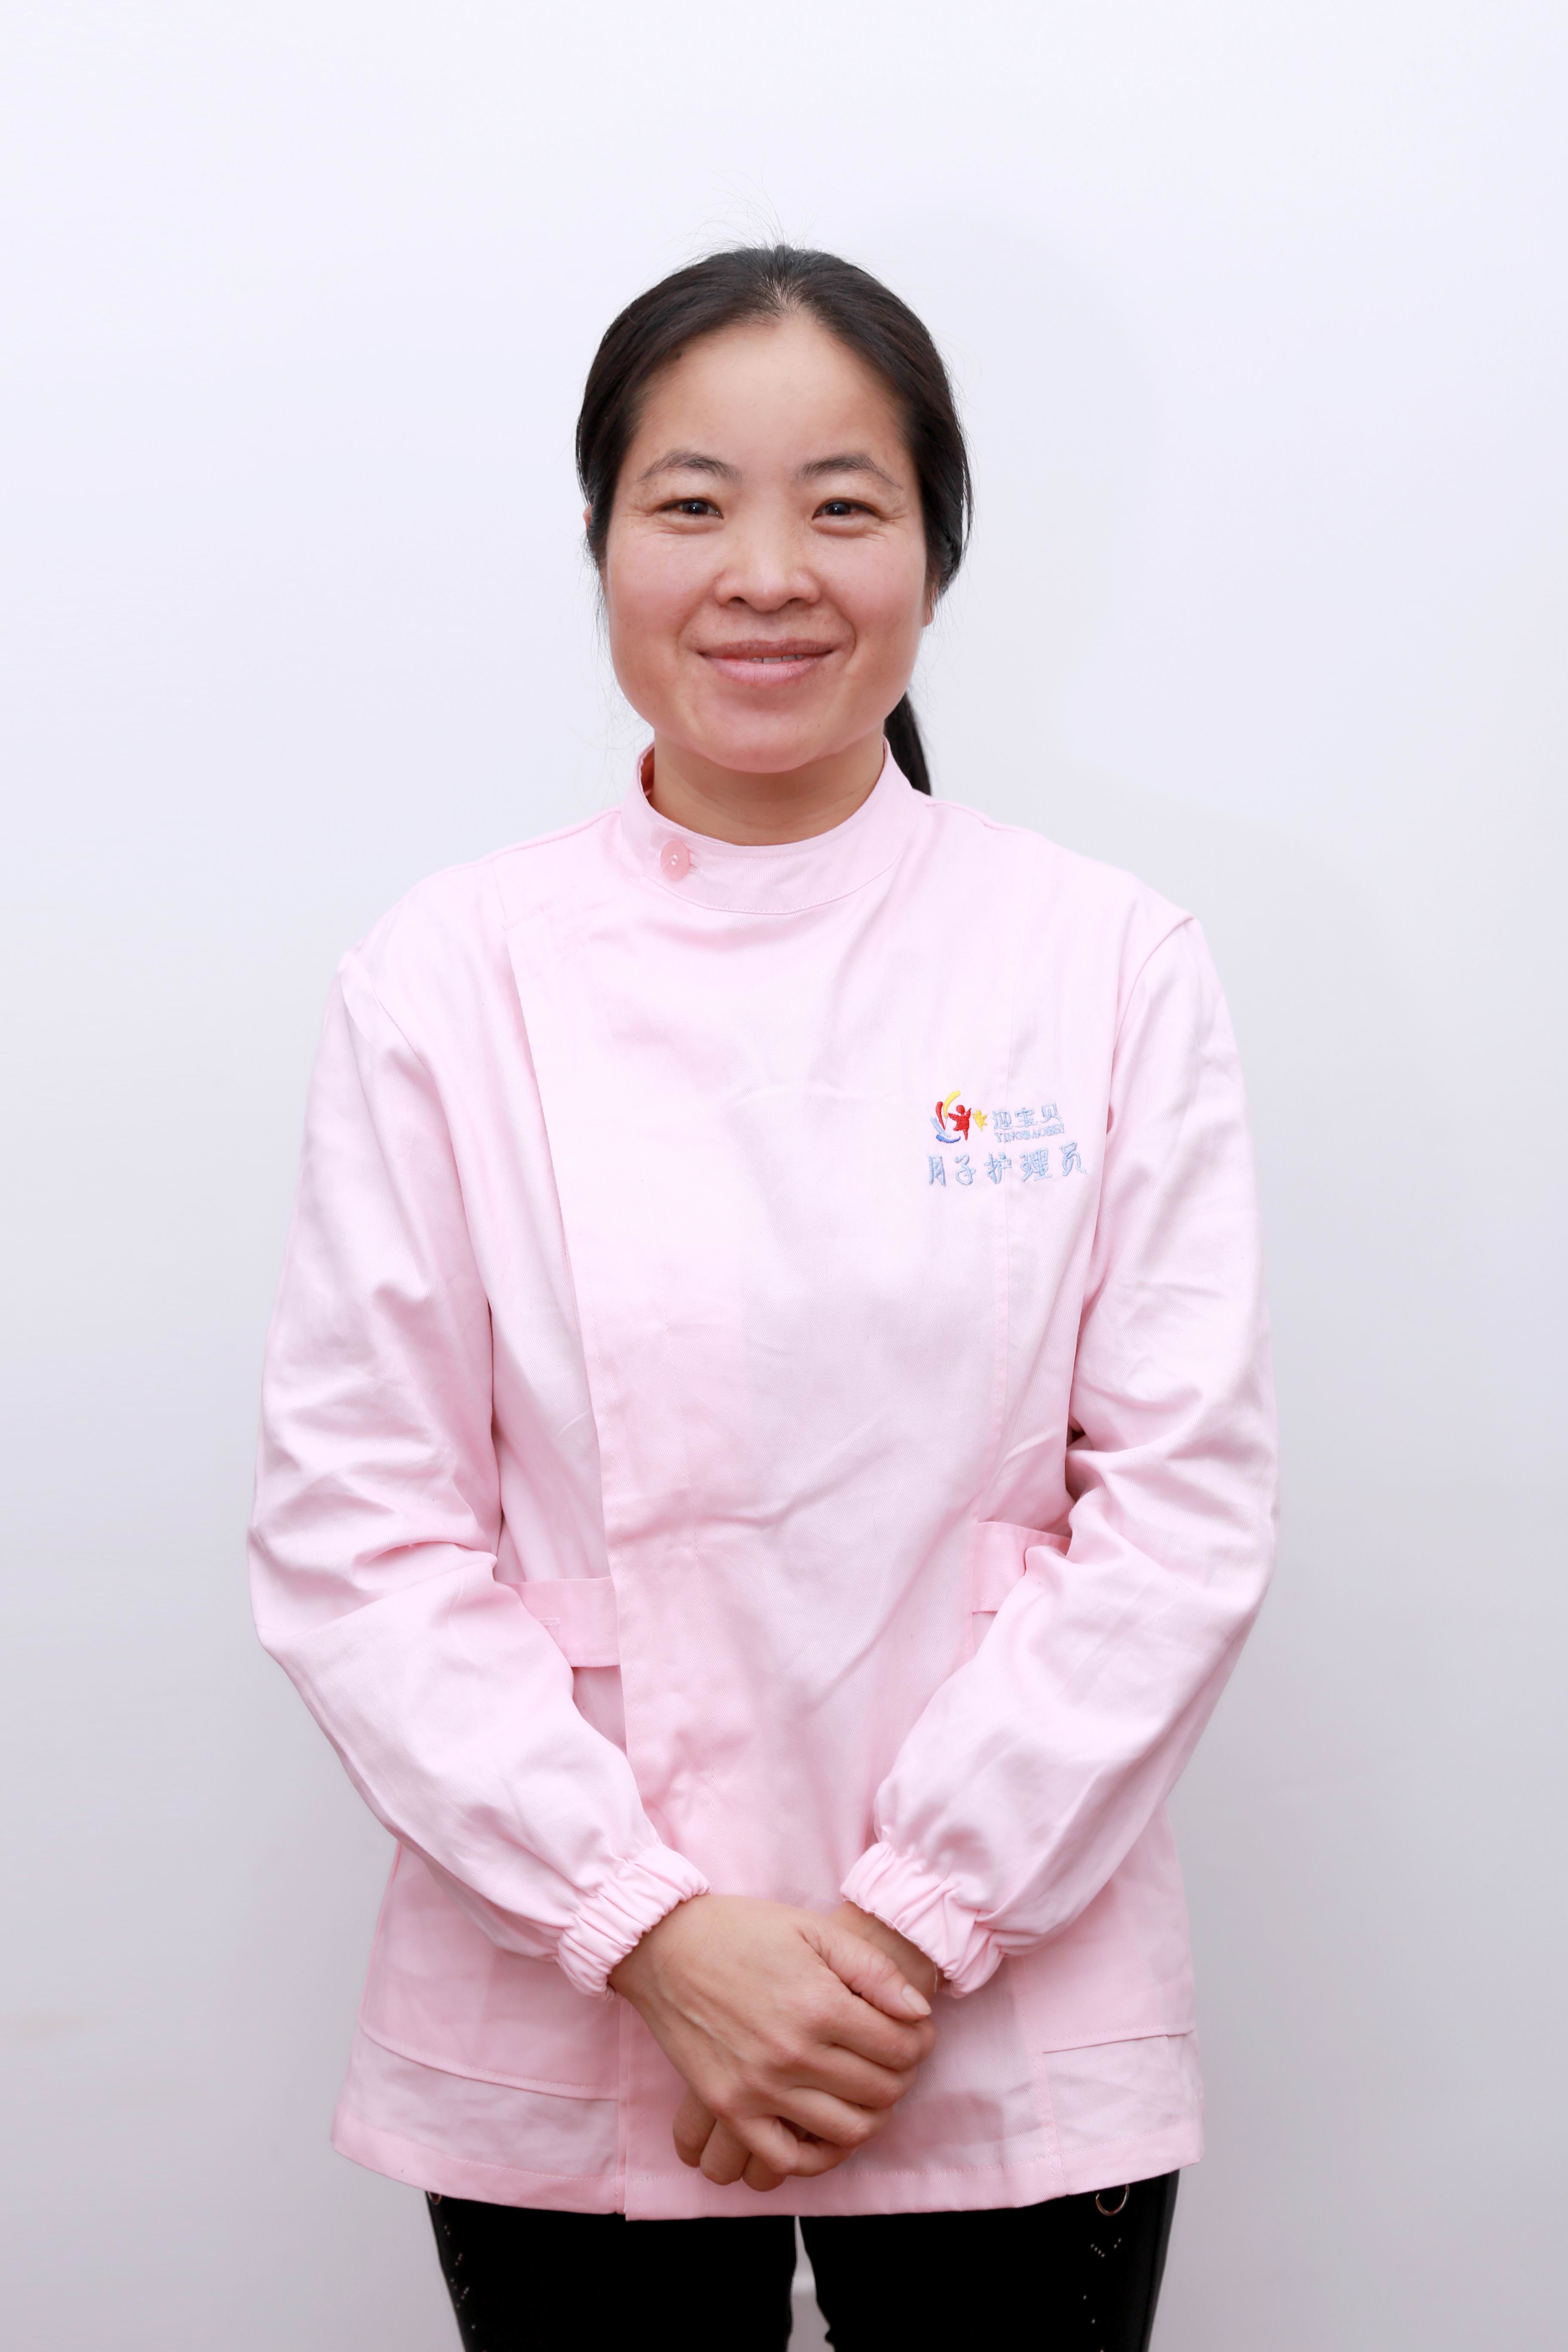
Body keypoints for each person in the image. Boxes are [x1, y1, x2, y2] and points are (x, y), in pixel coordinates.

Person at [249, 245, 1277, 2350]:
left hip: (999, 1986)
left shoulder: (1101, 959)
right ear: (604, 543)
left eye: (844, 503)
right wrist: (649, 1929)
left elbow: (1181, 1515)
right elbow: (360, 1532)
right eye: (694, 502)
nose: (768, 575)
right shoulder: (446, 978)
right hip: (572, 1973)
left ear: (936, 554)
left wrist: (903, 1932)